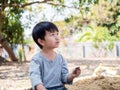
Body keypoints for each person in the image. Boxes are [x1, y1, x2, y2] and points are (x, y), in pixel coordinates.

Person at [29, 21, 81, 90]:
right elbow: (35, 78)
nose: (57, 37)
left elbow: (64, 79)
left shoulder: (60, 58)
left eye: (57, 34)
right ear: (41, 41)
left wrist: (72, 75)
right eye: (52, 34)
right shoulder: (36, 60)